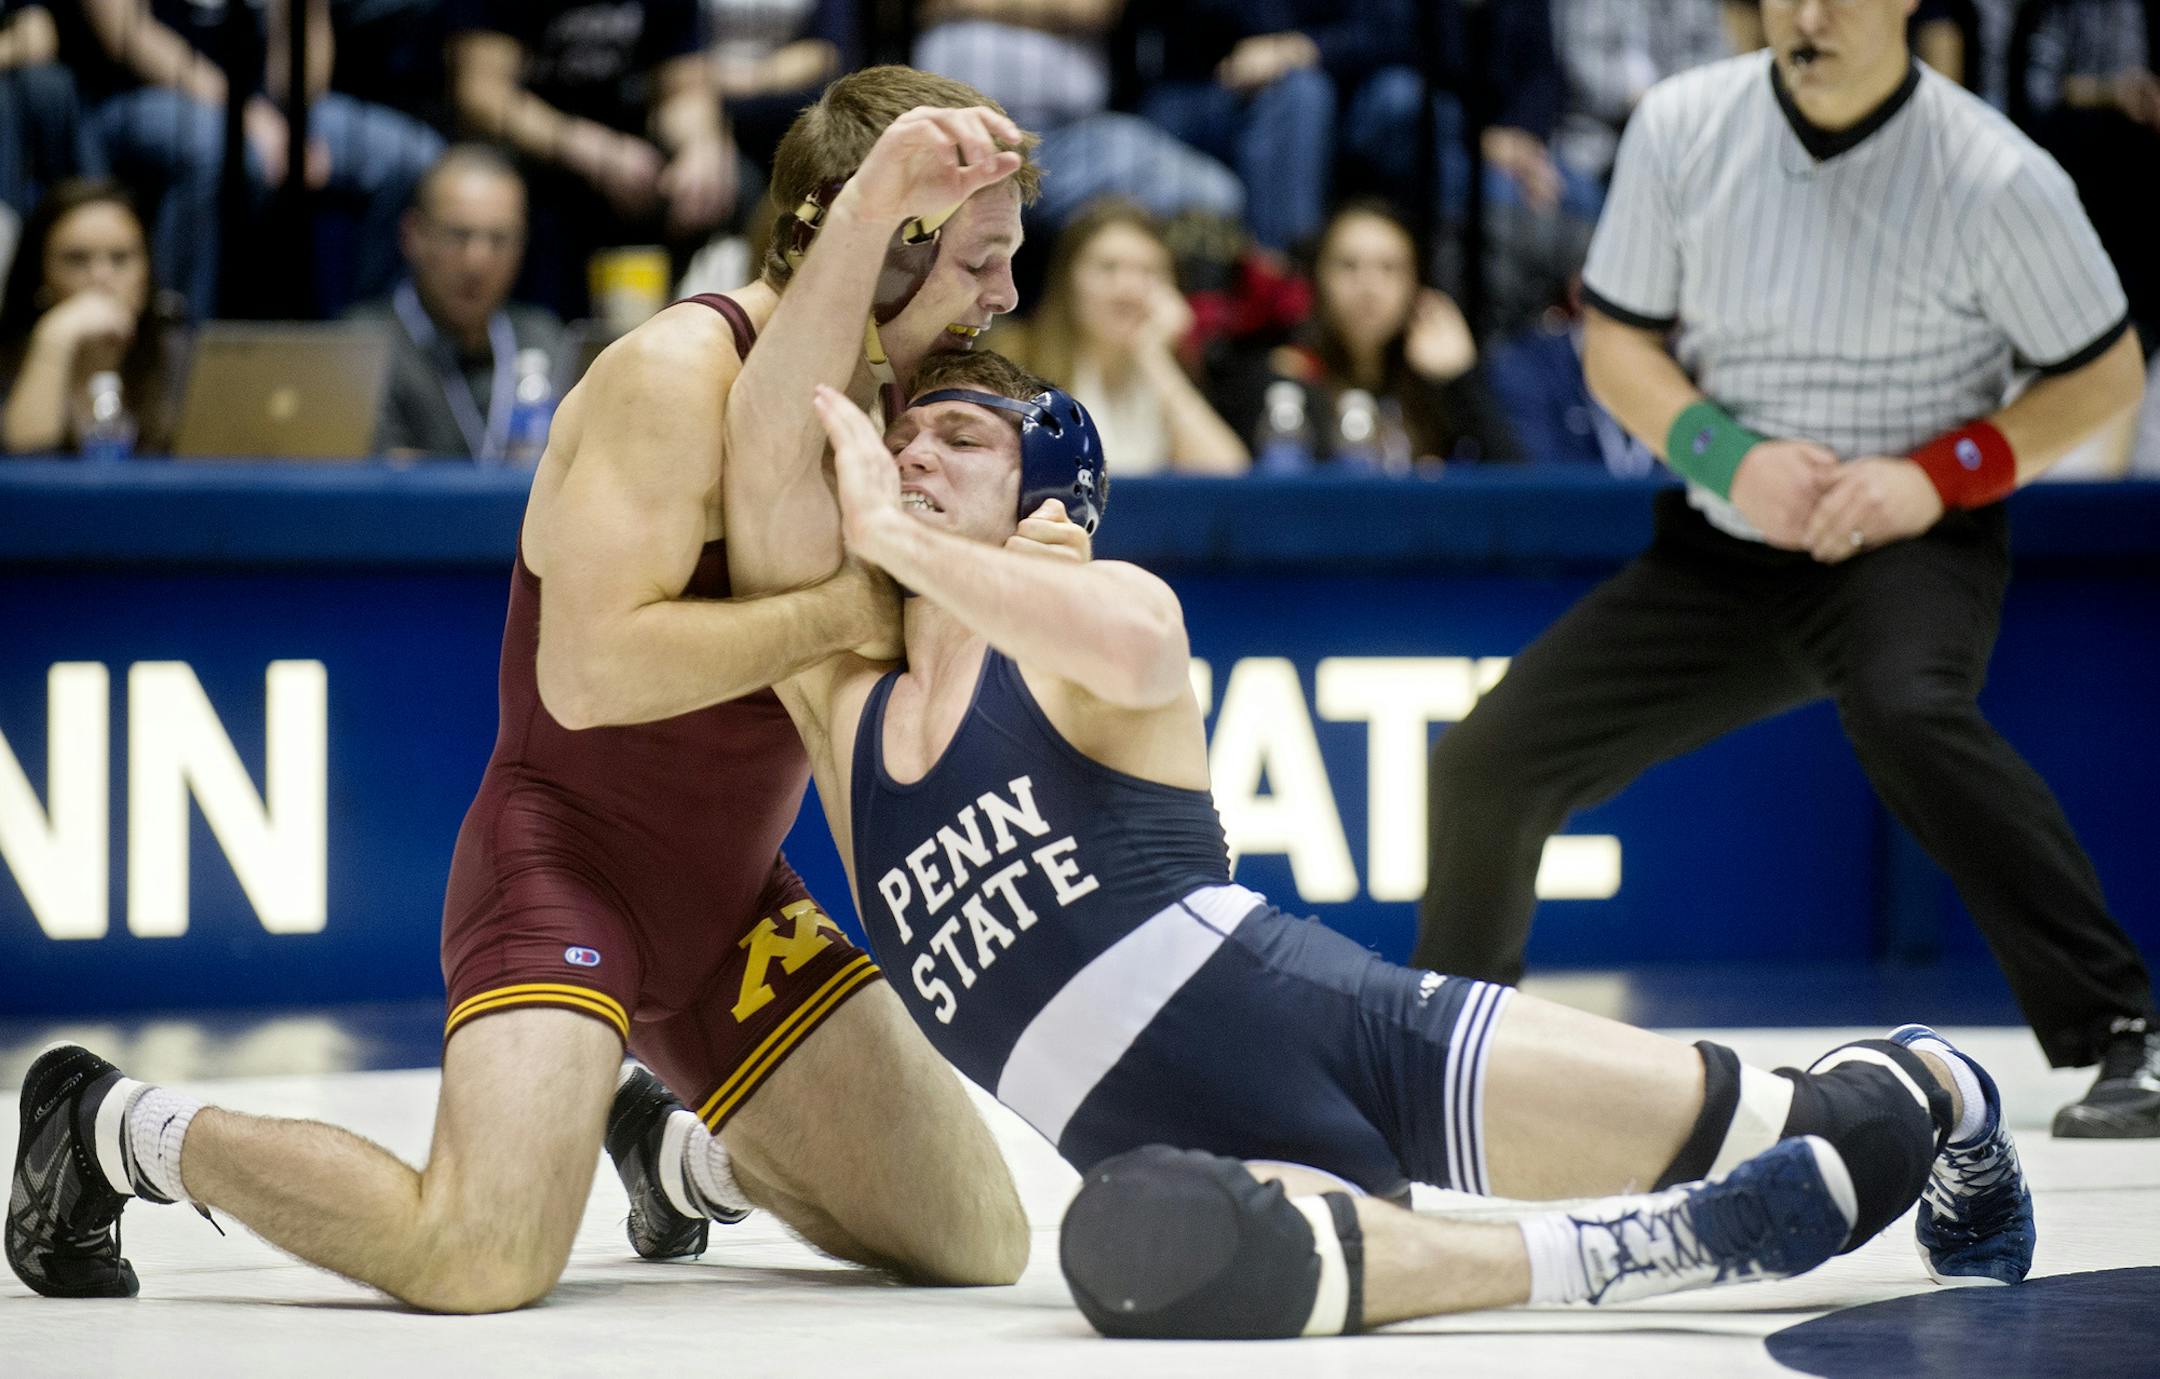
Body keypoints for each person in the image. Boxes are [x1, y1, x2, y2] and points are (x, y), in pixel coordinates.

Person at [674, 345, 2033, 1338]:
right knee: (1135, 1256)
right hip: (1178, 1155)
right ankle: (1624, 1246)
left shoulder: (1093, 617)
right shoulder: (846, 712)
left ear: (1047, 494)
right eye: (898, 437)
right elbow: (760, 453)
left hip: (1348, 1033)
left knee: (1840, 1145)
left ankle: (1941, 1085)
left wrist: (895, 536)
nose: (910, 456)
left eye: (958, 437)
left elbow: (1143, 643)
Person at [8, 66, 1041, 1309]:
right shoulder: (678, 373)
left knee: (976, 1235)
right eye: (981, 260)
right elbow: (592, 672)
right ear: (882, 241)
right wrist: (838, 612)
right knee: (483, 1253)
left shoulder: (900, 403)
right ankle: (113, 1126)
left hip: (732, 898)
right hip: (569, 868)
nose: (1006, 294)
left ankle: (677, 1152)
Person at [1417, 0, 2160, 1137]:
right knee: (1486, 762)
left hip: (1913, 536)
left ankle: (2123, 1030)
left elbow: (2103, 375)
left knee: (1909, 709)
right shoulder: (1681, 125)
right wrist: (1729, 456)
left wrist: (1935, 475)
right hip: (1727, 539)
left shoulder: (1998, 172)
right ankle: (1447, 1056)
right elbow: (1616, 347)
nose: (1808, 16)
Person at [63, 0, 444, 319]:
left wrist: (304, 14)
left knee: (416, 156)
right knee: (226, 153)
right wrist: (248, 116)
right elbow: (125, 36)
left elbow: (302, 85)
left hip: (264, 109)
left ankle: (372, 332)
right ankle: (177, 331)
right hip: (147, 97)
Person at [446, 0, 743, 318]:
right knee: (523, 200)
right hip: (535, 147)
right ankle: (536, 332)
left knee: (724, 185)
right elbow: (482, 96)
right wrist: (588, 148)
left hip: (636, 154)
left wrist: (700, 146)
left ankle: (691, 326)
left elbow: (683, 88)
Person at [1229, 200, 1517, 470]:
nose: (1369, 287)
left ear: (1416, 286)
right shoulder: (1283, 381)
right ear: (1316, 280)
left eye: (1389, 268)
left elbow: (1516, 488)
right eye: (1348, 265)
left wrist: (1461, 379)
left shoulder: (1436, 386)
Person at [910, 0, 1244, 233]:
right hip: (937, 135)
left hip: (1062, 145)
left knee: (1213, 194)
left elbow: (1091, 7)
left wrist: (971, 6)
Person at [346, 144, 566, 462]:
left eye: (499, 239)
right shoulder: (362, 347)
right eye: (458, 235)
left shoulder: (545, 341)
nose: (477, 262)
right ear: (413, 236)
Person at [994, 199, 1246, 475]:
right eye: (1108, 268)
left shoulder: (1169, 368)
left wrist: (1155, 358)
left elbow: (1225, 474)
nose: (1128, 289)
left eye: (1148, 272)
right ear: (1068, 281)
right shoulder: (1017, 358)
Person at [0, 178, 184, 455]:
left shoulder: (182, 358)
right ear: (40, 275)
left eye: (120, 258)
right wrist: (56, 336)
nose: (101, 276)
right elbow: (25, 460)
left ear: (147, 273)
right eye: (77, 259)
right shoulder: (7, 361)